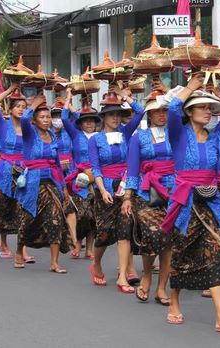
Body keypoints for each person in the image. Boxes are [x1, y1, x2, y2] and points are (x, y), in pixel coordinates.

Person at [159, 76, 220, 332]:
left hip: (212, 201)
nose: (209, 112)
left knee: (216, 251)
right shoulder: (178, 133)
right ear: (190, 111)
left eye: (211, 108)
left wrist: (219, 94)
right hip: (185, 201)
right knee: (183, 253)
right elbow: (173, 108)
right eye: (203, 107)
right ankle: (174, 301)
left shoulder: (218, 136)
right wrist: (192, 87)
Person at [88, 89, 144, 292]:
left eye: (118, 114)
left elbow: (141, 111)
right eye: (111, 114)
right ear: (103, 117)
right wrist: (102, 191)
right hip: (105, 187)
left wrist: (125, 95)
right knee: (104, 233)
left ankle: (123, 276)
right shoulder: (95, 140)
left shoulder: (126, 133)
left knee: (125, 229)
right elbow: (95, 168)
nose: (115, 118)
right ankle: (96, 264)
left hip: (126, 186)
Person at [121, 90, 173, 305]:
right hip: (146, 190)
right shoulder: (138, 137)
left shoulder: (176, 133)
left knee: (169, 241)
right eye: (156, 111)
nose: (161, 114)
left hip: (173, 190)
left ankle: (162, 288)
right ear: (149, 114)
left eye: (164, 110)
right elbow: (132, 169)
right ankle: (146, 276)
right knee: (152, 235)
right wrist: (127, 197)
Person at [13, 95, 73, 273]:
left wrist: (63, 187)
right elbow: (24, 118)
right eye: (42, 117)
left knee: (55, 219)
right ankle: (19, 252)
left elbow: (56, 162)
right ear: (35, 120)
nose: (46, 120)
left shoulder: (53, 136)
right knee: (27, 221)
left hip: (51, 182)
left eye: (48, 117)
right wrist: (35, 103)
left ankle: (54, 262)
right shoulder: (29, 134)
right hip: (32, 183)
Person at [0, 84, 33, 262]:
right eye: (18, 107)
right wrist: (10, 90)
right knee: (4, 207)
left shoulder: (29, 127)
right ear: (11, 108)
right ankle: (5, 243)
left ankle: (23, 248)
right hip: (5, 170)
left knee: (24, 209)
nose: (21, 110)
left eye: (24, 107)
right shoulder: (3, 124)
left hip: (25, 171)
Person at [61, 92, 98, 260]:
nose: (89, 123)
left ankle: (89, 248)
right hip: (78, 179)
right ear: (80, 123)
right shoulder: (75, 135)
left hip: (97, 179)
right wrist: (68, 99)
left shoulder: (101, 136)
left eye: (92, 120)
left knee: (93, 215)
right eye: (85, 120)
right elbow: (63, 118)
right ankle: (76, 242)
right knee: (78, 211)